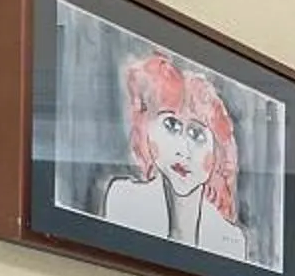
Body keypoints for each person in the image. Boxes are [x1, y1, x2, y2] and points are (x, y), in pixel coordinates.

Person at [95, 48, 253, 260]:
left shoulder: (231, 240)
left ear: (217, 153)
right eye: (171, 125)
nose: (183, 150)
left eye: (196, 134)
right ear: (147, 129)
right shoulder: (122, 198)